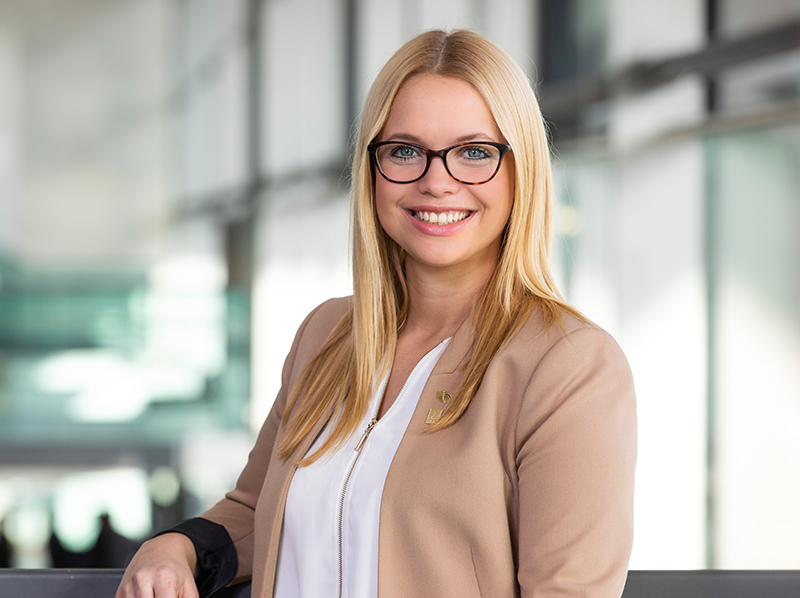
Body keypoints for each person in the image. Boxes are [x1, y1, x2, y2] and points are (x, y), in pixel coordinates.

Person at [117, 28, 636, 598]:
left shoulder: (568, 364)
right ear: (372, 168)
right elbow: (256, 509)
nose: (437, 182)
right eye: (406, 150)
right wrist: (176, 546)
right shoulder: (327, 333)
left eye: (474, 152)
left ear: (522, 171)